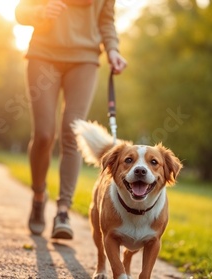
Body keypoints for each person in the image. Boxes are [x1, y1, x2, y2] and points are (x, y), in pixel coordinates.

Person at [15, 0, 127, 239]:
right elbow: (20, 11)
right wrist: (40, 12)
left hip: (84, 59)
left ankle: (63, 211)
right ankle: (38, 197)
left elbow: (106, 21)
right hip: (43, 53)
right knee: (44, 134)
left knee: (72, 132)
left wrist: (113, 50)